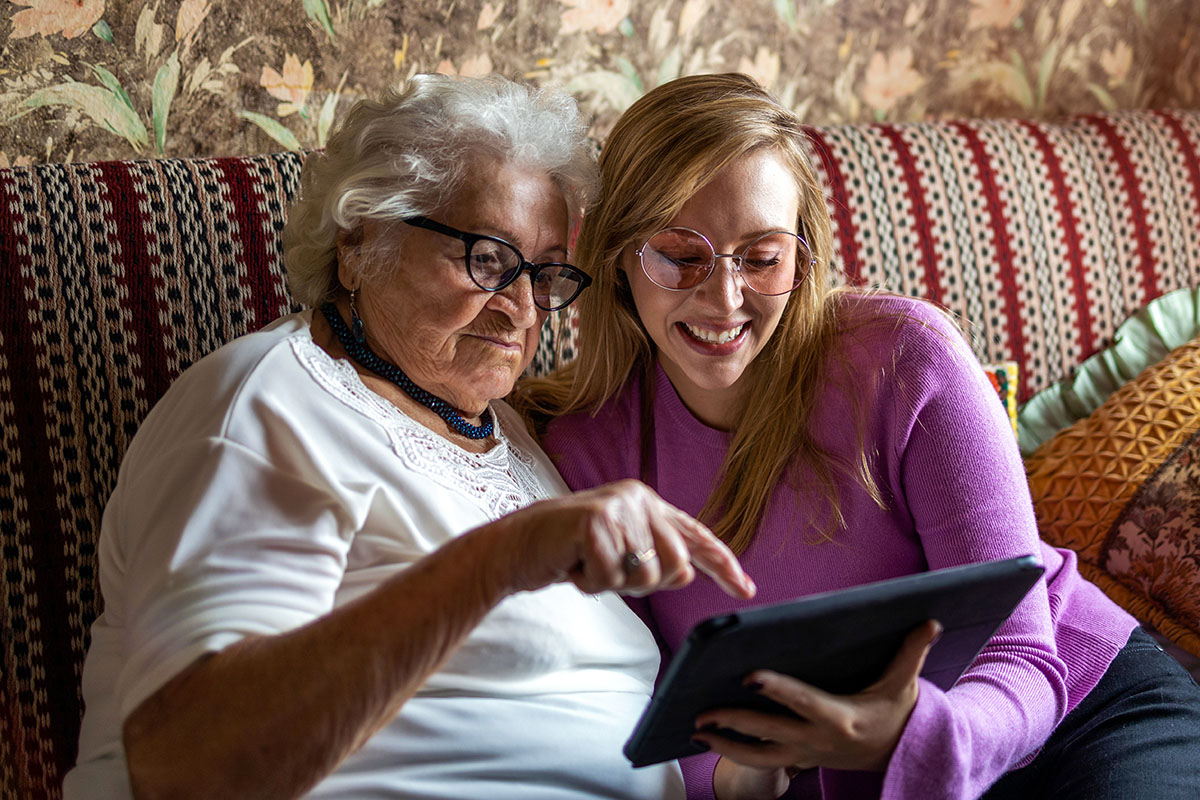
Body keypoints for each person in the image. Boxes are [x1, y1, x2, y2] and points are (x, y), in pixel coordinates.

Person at [62, 74, 757, 800]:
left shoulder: (513, 438)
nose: (522, 310)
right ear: (360, 241)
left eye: (546, 273)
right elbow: (184, 768)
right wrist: (499, 561)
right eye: (488, 259)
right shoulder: (270, 404)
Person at [517, 73, 1200, 800]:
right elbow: (637, 710)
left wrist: (911, 735)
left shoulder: (905, 358)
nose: (723, 299)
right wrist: (740, 776)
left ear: (803, 252)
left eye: (761, 256)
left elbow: (1021, 652)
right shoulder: (587, 450)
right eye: (681, 256)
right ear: (621, 256)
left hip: (1076, 712)